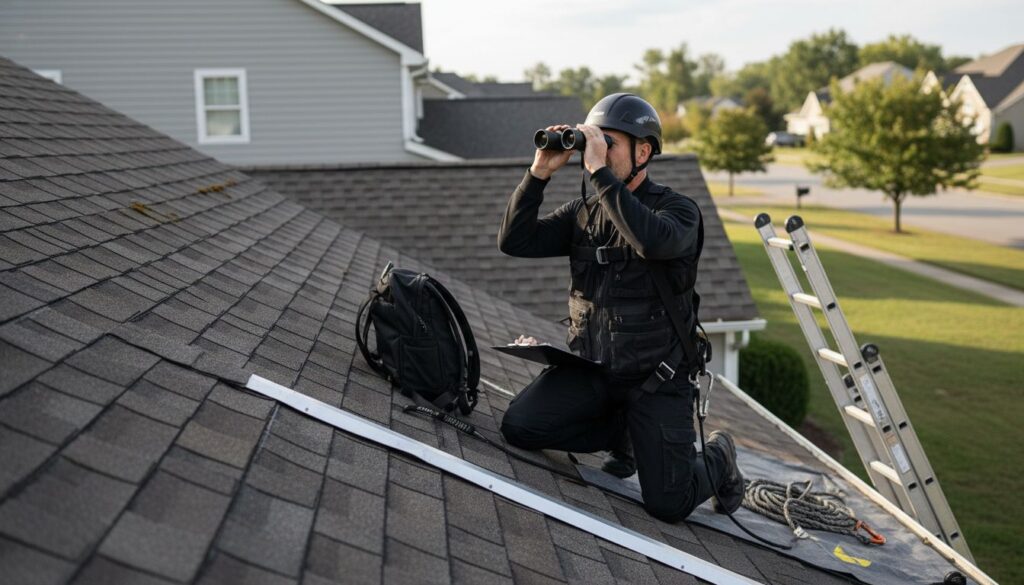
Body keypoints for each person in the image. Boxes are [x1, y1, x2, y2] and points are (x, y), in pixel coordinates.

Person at [497, 94, 744, 523]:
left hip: (657, 381)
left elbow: (651, 241)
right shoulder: (584, 212)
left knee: (668, 503)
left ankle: (720, 456)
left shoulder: (677, 211)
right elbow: (514, 241)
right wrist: (538, 174)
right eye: (593, 141)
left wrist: (597, 171)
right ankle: (624, 433)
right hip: (597, 372)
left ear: (643, 151)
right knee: (520, 427)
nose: (597, 151)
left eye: (607, 142)